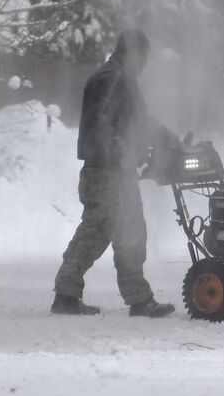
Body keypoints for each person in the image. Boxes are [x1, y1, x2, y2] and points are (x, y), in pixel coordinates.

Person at [51, 29, 174, 317]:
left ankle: (138, 299)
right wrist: (123, 151)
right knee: (96, 232)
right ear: (131, 53)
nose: (145, 63)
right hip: (106, 172)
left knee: (129, 231)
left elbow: (140, 121)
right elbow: (100, 125)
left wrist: (169, 139)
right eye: (143, 56)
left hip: (117, 172)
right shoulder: (110, 80)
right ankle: (67, 295)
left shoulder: (122, 80)